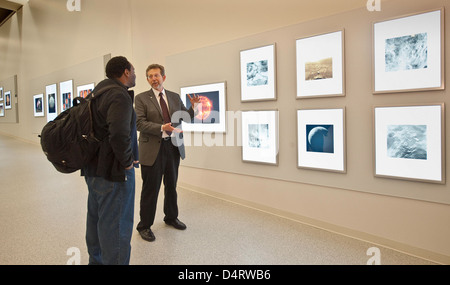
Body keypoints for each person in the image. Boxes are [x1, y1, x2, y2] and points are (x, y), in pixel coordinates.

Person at [81, 56, 139, 264]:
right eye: (133, 70)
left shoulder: (97, 93)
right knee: (117, 227)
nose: (135, 74)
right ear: (125, 72)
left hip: (93, 169)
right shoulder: (119, 95)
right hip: (114, 173)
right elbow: (119, 134)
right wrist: (126, 162)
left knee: (96, 221)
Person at [135, 64, 199, 242]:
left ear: (164, 77)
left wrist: (193, 108)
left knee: (171, 186)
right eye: (150, 76)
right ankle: (144, 225)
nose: (154, 79)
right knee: (151, 189)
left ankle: (171, 217)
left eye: (156, 75)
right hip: (152, 149)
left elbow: (185, 117)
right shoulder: (141, 99)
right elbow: (139, 123)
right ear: (147, 79)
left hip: (172, 147)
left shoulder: (174, 96)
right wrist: (161, 127)